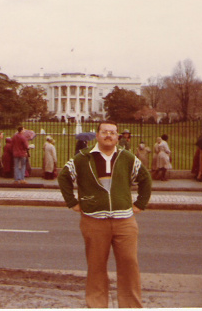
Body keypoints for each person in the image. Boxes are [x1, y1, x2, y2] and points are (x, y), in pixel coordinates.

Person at [58, 120, 152, 308]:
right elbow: (64, 177)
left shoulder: (127, 157)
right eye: (104, 132)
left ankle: (131, 306)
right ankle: (97, 305)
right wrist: (72, 202)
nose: (108, 135)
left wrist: (140, 204)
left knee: (129, 265)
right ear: (97, 135)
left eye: (112, 132)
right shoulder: (83, 158)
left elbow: (145, 179)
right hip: (94, 221)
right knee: (96, 267)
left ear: (117, 136)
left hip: (124, 221)